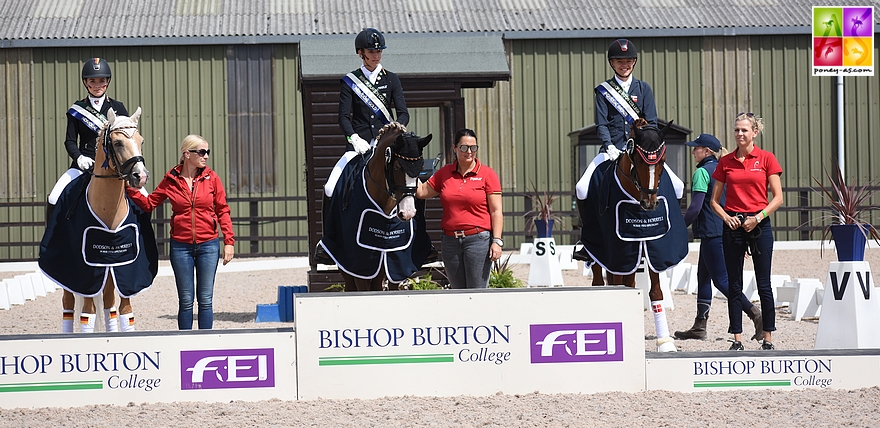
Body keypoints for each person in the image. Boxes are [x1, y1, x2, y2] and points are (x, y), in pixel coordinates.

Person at [48, 58, 130, 333]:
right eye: (93, 81)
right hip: (83, 164)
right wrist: (78, 157)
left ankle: (137, 237)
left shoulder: (117, 108)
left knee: (139, 193)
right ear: (86, 83)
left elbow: (127, 138)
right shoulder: (77, 110)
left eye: (102, 81)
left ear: (107, 82)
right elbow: (69, 140)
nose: (98, 85)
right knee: (55, 195)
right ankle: (56, 241)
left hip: (113, 168)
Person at [126, 135, 235, 330]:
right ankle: (184, 344)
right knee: (185, 301)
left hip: (209, 245)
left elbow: (222, 210)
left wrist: (229, 241)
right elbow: (150, 203)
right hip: (180, 247)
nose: (206, 156)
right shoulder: (171, 180)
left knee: (206, 300)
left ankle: (205, 343)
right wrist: (130, 190)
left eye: (207, 152)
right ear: (187, 154)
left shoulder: (212, 178)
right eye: (202, 152)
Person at [674, 134, 763, 341]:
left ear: (707, 152)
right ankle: (699, 325)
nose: (693, 151)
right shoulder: (726, 168)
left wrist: (679, 228)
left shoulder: (702, 173)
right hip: (729, 230)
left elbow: (695, 208)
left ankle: (755, 314)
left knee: (722, 281)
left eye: (696, 148)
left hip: (712, 232)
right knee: (703, 277)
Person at [710, 113, 783, 351]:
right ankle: (737, 338)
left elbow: (778, 197)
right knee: (734, 284)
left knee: (764, 284)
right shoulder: (726, 161)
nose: (739, 134)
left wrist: (758, 217)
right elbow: (714, 201)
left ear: (755, 132)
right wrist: (727, 218)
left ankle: (768, 338)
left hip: (759, 223)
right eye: (736, 130)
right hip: (733, 224)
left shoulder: (766, 159)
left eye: (744, 130)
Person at [415, 129, 502, 289]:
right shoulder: (445, 173)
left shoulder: (487, 175)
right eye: (464, 147)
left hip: (478, 241)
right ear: (455, 148)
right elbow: (421, 192)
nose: (469, 152)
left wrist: (497, 241)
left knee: (476, 293)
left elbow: (496, 211)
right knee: (457, 293)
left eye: (473, 148)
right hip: (450, 242)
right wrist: (409, 169)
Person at [338, 27, 409, 154]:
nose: (376, 56)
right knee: (337, 173)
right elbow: (343, 117)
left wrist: (394, 129)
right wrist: (353, 138)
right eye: (371, 52)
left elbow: (403, 114)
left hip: (386, 141)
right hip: (359, 143)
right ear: (360, 53)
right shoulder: (350, 81)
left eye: (379, 51)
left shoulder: (391, 79)